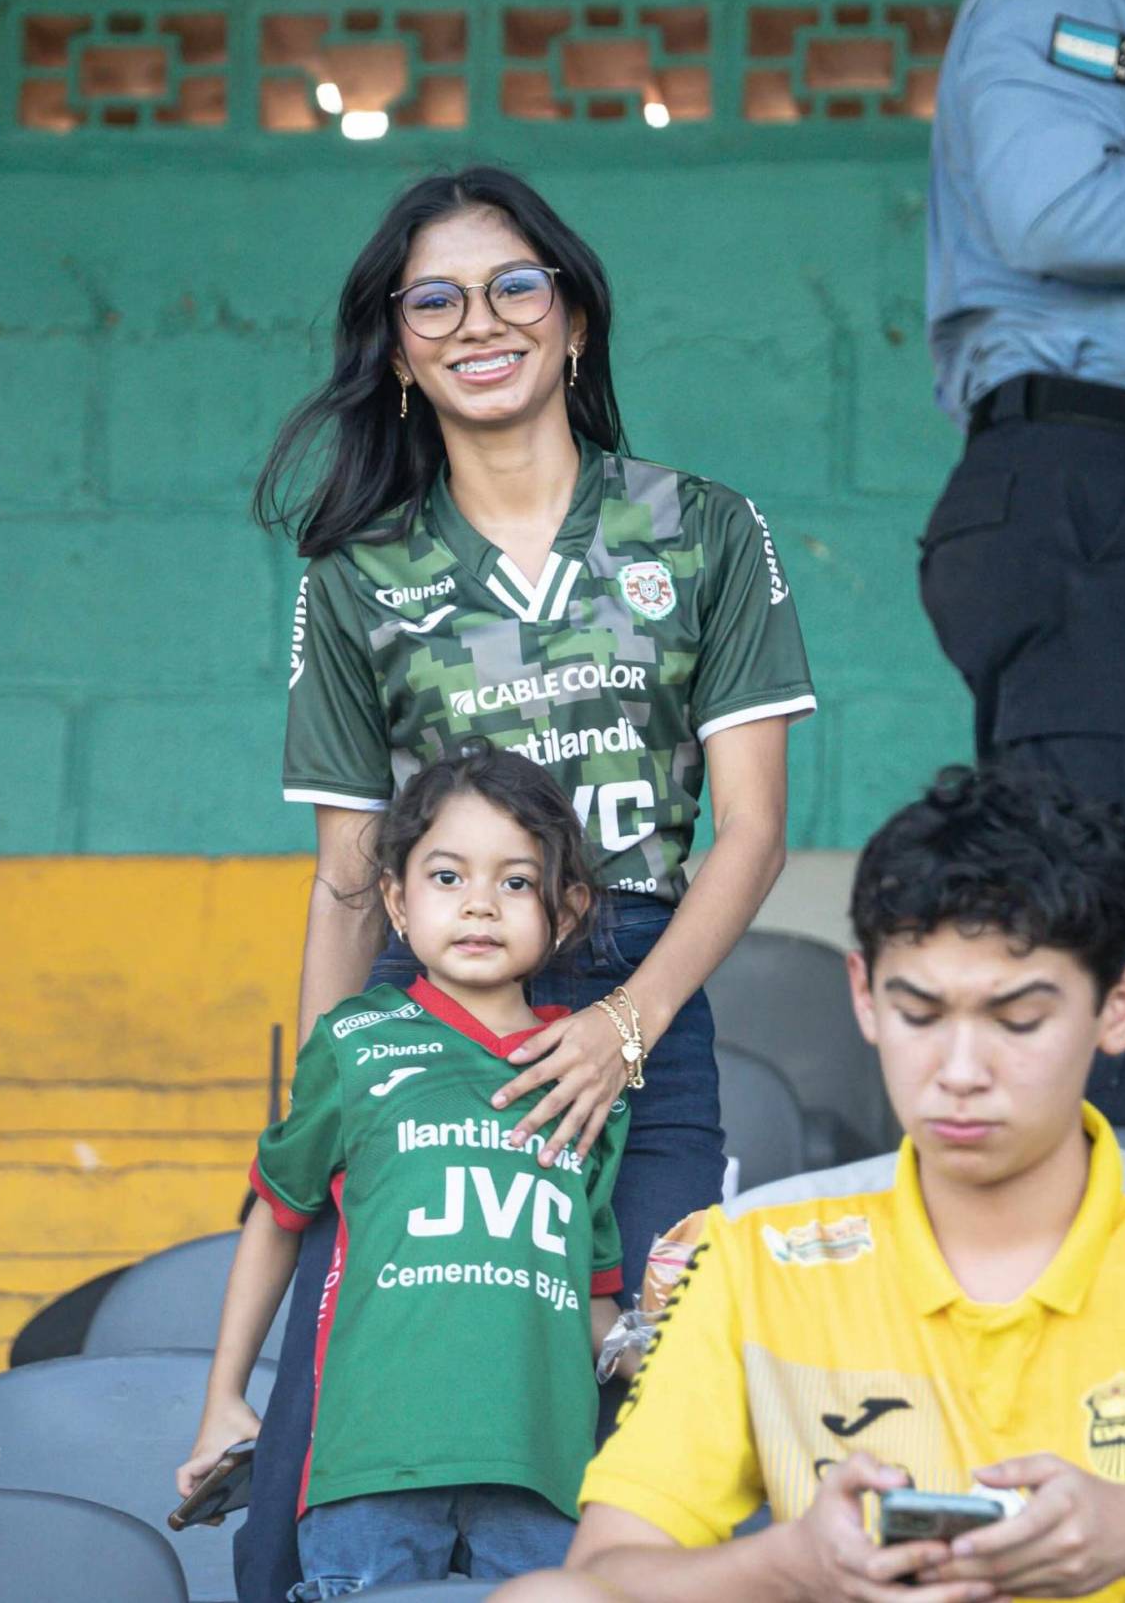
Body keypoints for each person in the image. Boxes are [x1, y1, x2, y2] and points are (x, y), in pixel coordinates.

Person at [238, 165, 816, 1599]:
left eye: (515, 286)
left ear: (571, 321)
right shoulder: (356, 574)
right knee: (314, 1476)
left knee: (645, 1433)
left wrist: (626, 1024)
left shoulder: (704, 531)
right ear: (395, 347)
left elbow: (748, 831)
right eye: (433, 297)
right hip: (421, 1021)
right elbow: (346, 879)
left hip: (643, 993)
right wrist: (328, 1100)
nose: (477, 319)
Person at [494, 761, 1125, 1603]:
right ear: (866, 998)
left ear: (1119, 1007)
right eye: (919, 1013)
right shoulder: (761, 1255)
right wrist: (794, 1564)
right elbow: (602, 1574)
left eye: (1018, 1020)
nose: (960, 1070)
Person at [177, 746, 631, 1592]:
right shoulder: (354, 1044)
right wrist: (223, 1396)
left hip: (543, 1477)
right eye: (448, 877)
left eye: (517, 883)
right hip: (369, 1471)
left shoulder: (586, 1078)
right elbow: (277, 1220)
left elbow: (594, 1306)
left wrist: (668, 1355)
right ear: (396, 899)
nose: (481, 907)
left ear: (565, 913)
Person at [921, 0, 1125, 1125]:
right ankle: (1124, 1282)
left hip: (1104, 490)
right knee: (1116, 918)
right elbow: (1054, 203)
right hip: (1089, 482)